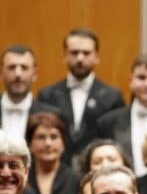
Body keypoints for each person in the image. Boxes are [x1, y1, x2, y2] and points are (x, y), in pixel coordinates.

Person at [38, 28, 124, 162]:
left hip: (97, 168)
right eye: (74, 52)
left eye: (86, 53)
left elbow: (115, 141)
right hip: (57, 170)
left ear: (97, 57)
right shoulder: (47, 95)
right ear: (65, 56)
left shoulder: (112, 96)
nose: (80, 58)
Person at [23, 112, 79, 194]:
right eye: (41, 137)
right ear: (30, 144)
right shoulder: (21, 177)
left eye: (54, 137)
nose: (48, 143)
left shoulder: (75, 179)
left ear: (63, 144)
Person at [0, 45, 59, 139]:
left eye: (24, 68)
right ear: (1, 73)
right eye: (11, 67)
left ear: (35, 74)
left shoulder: (53, 115)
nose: (18, 74)